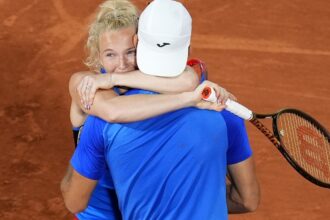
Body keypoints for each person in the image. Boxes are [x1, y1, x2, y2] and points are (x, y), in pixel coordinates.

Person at [62, 0, 259, 219]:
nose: (122, 64)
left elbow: (187, 80)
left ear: (142, 45)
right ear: (97, 56)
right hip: (100, 204)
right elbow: (113, 110)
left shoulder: (163, 82)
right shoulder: (86, 83)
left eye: (130, 52)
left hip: (136, 197)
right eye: (110, 54)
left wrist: (114, 78)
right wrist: (190, 99)